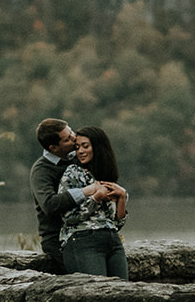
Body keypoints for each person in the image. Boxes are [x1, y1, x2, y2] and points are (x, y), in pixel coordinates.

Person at [29, 118, 116, 272]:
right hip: (58, 239)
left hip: (90, 231)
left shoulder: (78, 158)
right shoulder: (41, 171)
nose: (74, 138)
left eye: (71, 132)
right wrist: (86, 191)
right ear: (54, 148)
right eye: (68, 139)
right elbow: (49, 205)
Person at [58, 124, 129, 278]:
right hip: (82, 239)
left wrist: (122, 197)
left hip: (112, 240)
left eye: (85, 146)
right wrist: (96, 198)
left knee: (123, 295)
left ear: (98, 147)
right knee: (97, 295)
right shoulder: (72, 173)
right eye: (77, 147)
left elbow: (116, 224)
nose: (80, 151)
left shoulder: (105, 175)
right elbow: (68, 218)